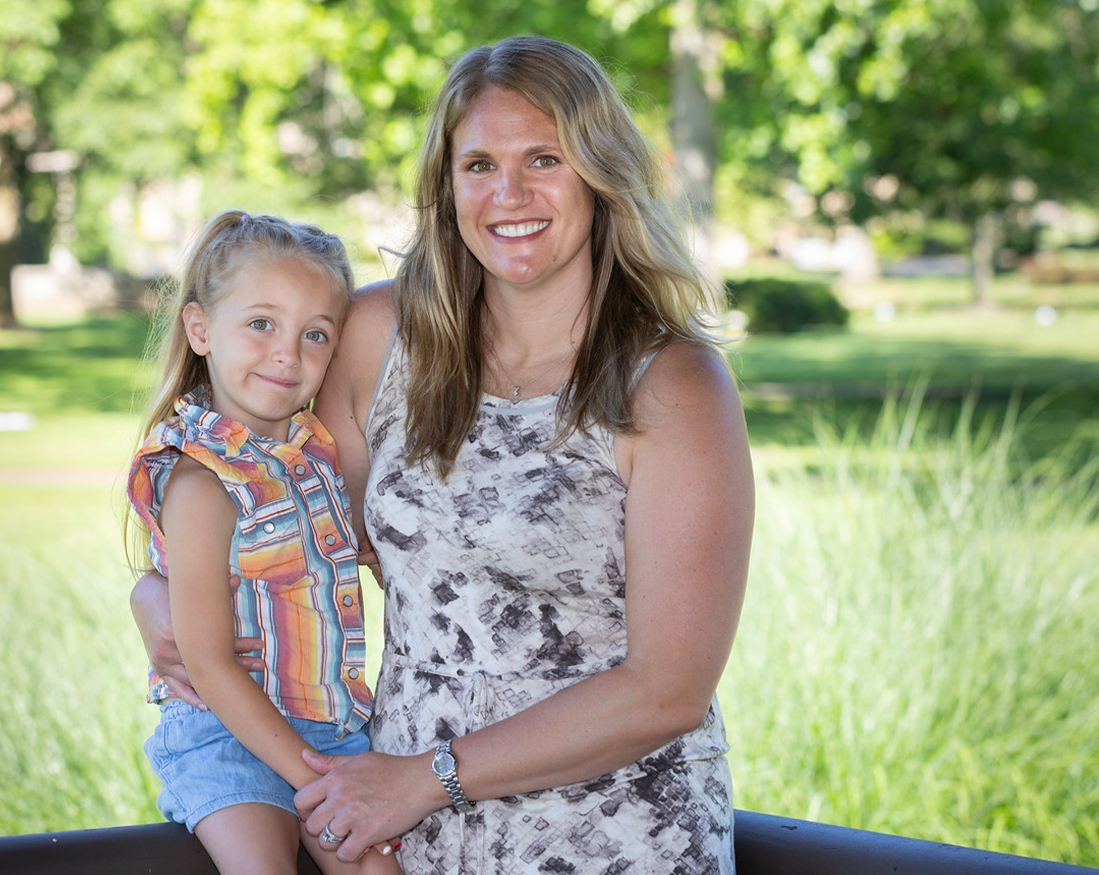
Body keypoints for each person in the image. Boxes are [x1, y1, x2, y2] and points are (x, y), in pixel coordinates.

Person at [133, 36, 754, 874]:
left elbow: (667, 689)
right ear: (445, 183)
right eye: (478, 165)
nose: (509, 194)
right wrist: (155, 592)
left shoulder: (675, 385)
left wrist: (428, 779)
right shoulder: (378, 338)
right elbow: (283, 518)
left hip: (607, 834)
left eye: (544, 159)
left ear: (600, 175)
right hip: (399, 835)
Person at [124, 209, 403, 875]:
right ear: (199, 329)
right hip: (226, 733)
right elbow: (210, 665)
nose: (288, 352)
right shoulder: (201, 484)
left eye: (315, 335)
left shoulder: (317, 460)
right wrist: (319, 777)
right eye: (260, 324)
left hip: (329, 725)